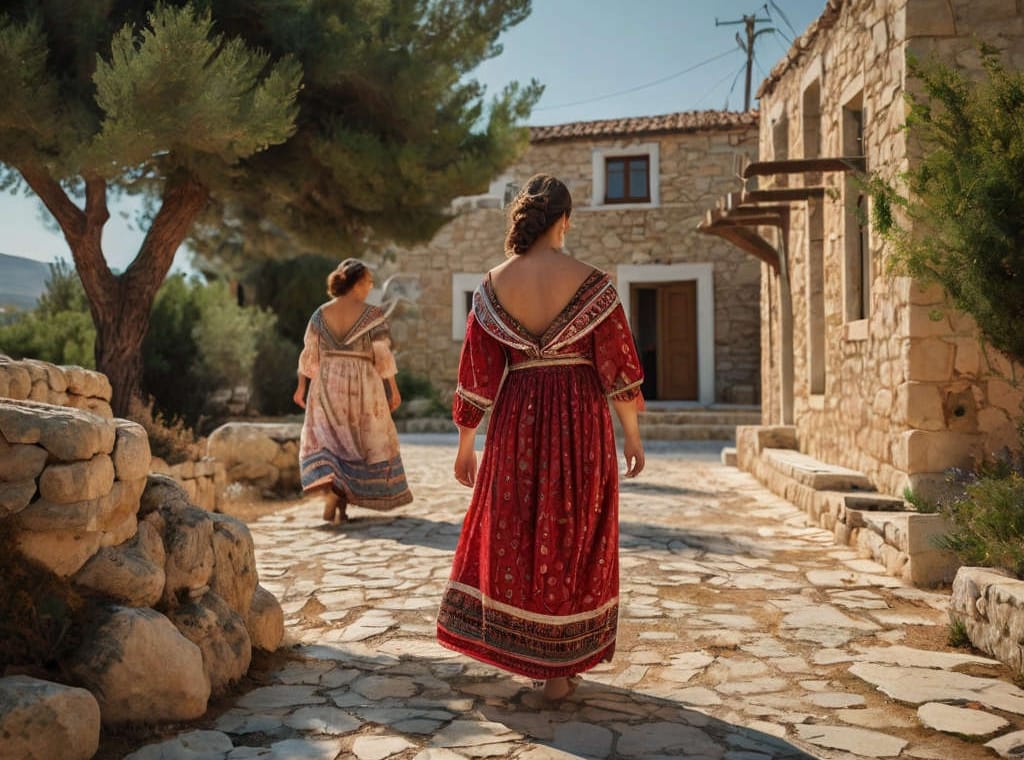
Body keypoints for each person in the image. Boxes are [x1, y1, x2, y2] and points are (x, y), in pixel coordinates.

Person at [436, 174, 645, 701]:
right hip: (579, 420)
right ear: (564, 221)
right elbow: (618, 369)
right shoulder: (593, 282)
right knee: (575, 533)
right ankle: (560, 667)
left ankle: (533, 654)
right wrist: (633, 436)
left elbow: (477, 372)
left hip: (517, 420)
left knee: (519, 533)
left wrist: (466, 444)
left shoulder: (492, 284)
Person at [293, 258, 413, 522]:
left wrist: (302, 386)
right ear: (357, 283)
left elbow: (309, 353)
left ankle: (337, 500)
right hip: (362, 384)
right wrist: (393, 388)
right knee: (358, 443)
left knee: (332, 441)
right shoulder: (373, 315)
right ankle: (341, 499)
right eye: (369, 281)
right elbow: (382, 354)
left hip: (326, 382)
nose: (371, 286)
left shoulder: (320, 313)